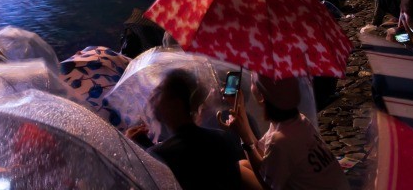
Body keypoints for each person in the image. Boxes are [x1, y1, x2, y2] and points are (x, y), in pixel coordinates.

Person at [220, 74, 348, 190]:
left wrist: (244, 137)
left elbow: (267, 185)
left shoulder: (279, 141)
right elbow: (261, 151)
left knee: (237, 171)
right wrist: (241, 111)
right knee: (243, 164)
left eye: (253, 82)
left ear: (261, 96)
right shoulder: (300, 121)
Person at [127, 68, 243, 190]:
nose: (151, 98)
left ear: (176, 104)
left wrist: (131, 149)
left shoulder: (159, 155)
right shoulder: (221, 139)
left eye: (159, 92)